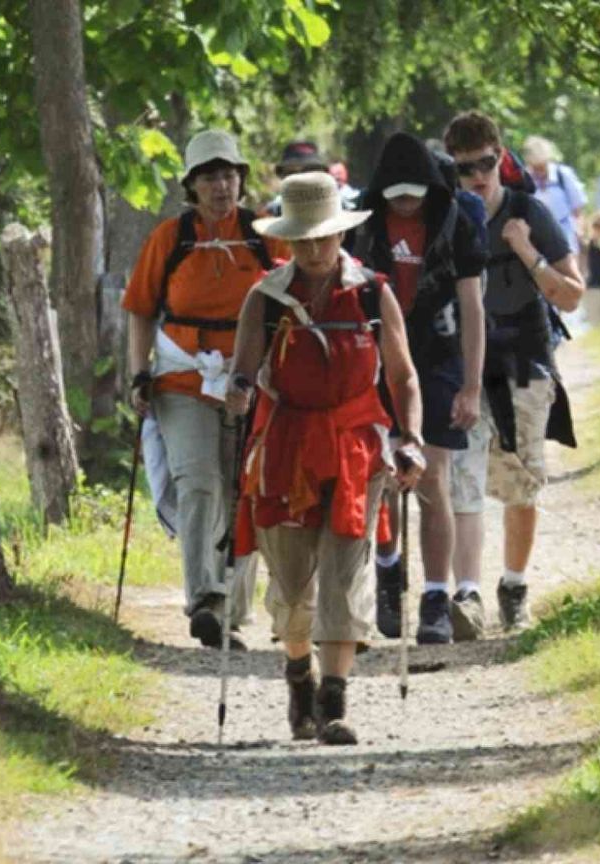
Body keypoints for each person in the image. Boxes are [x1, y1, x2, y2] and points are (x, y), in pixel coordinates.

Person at [226, 171, 427, 745]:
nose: (314, 250)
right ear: (287, 239)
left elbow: (403, 374)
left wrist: (409, 438)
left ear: (340, 235)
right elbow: (244, 368)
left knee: (346, 572)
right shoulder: (265, 297)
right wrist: (238, 392)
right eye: (303, 239)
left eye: (324, 238)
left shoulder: (371, 292)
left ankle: (334, 703)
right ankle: (299, 678)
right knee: (292, 587)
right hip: (286, 448)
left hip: (354, 448)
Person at [123, 128, 289, 649]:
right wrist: (138, 372)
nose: (222, 186)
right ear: (192, 186)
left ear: (241, 179)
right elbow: (140, 309)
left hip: (249, 378)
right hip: (181, 379)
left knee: (243, 488)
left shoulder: (265, 235)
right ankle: (205, 599)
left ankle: (233, 609)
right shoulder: (170, 239)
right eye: (210, 177)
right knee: (198, 480)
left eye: (229, 174)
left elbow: (293, 298)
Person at [443, 112, 585, 635]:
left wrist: (526, 252)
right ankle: (466, 595)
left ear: (501, 157)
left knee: (521, 483)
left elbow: (571, 296)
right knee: (462, 481)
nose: (478, 175)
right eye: (465, 168)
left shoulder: (531, 212)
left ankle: (513, 586)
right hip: (462, 367)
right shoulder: (449, 217)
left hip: (525, 362)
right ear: (453, 171)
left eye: (486, 162)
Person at [346, 133, 487, 643]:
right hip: (375, 359)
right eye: (397, 192)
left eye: (415, 191)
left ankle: (434, 596)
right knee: (380, 476)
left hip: (438, 358)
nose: (406, 201)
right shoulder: (361, 228)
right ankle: (388, 567)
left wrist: (471, 386)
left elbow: (473, 307)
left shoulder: (456, 223)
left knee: (432, 478)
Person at [521, 135, 588, 255]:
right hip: (536, 242)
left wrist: (579, 230)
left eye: (542, 167)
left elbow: (577, 209)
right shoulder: (524, 179)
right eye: (535, 167)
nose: (539, 172)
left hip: (565, 238)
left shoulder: (563, 175)